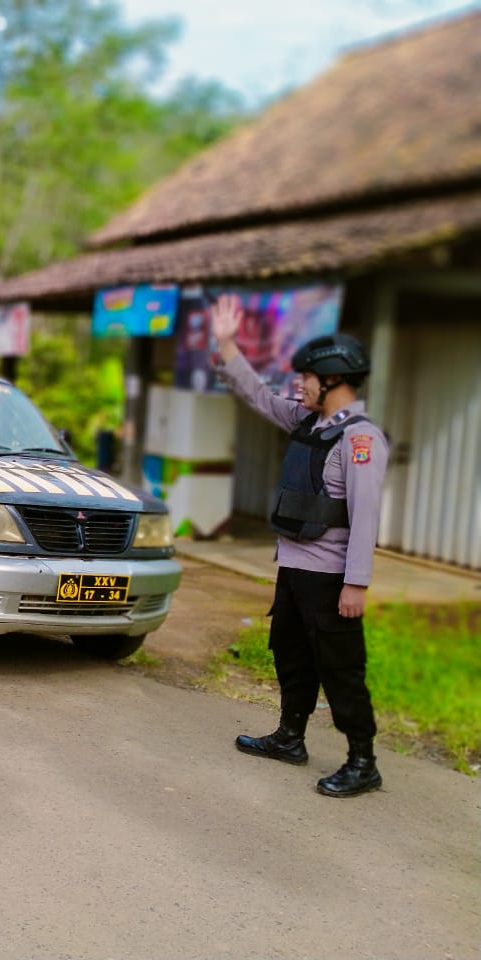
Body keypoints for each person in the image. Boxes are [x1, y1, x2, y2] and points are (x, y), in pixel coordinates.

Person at [211, 294, 388, 798]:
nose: (299, 384)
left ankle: (363, 761)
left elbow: (366, 517)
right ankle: (291, 737)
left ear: (332, 380)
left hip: (331, 575)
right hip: (293, 565)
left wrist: (356, 583)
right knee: (290, 654)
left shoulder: (360, 440)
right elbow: (258, 396)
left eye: (307, 378)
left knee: (341, 668)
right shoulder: (309, 423)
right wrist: (226, 343)